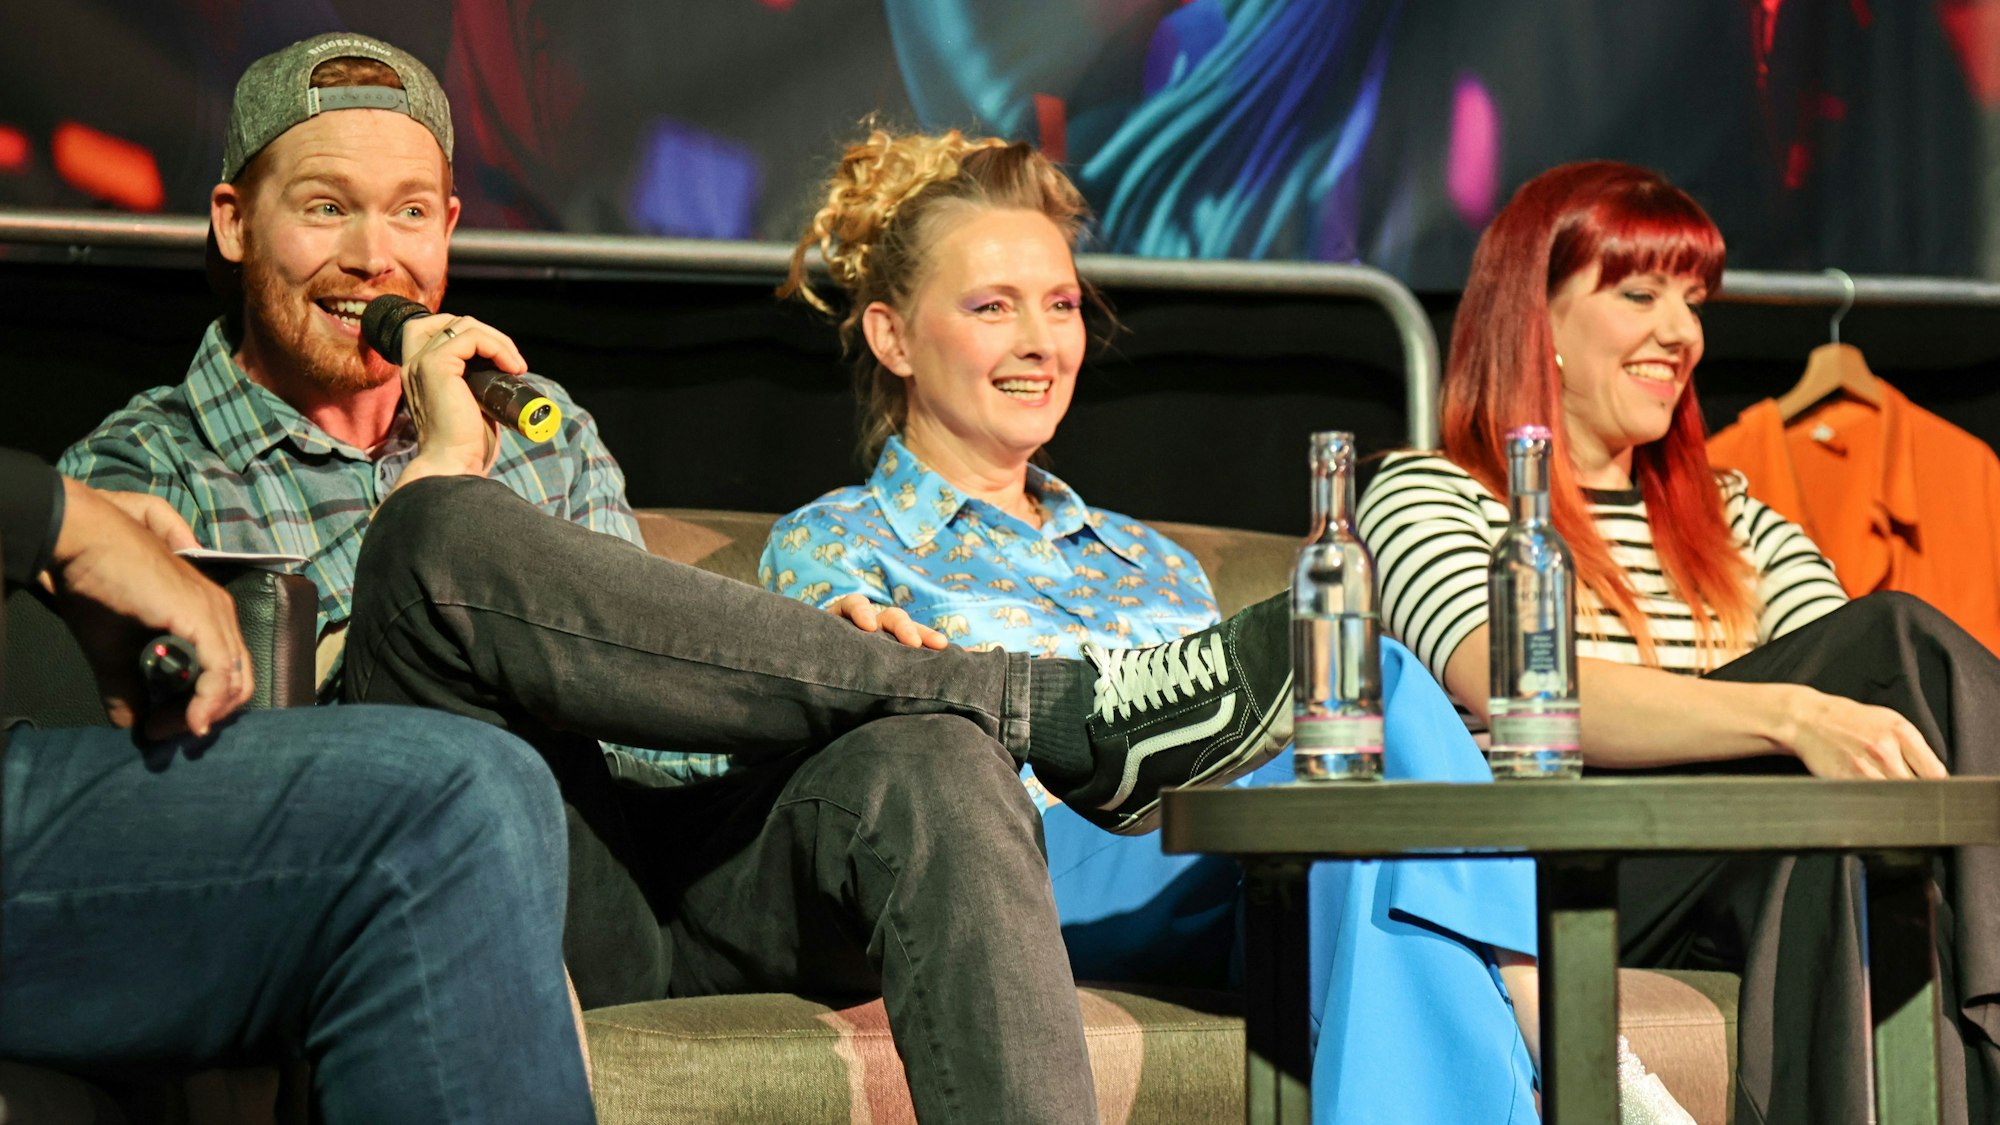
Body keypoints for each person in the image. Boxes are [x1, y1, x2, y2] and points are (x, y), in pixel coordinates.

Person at [56, 32, 1295, 1123]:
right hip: (448, 889)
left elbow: (665, 747)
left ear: (448, 227)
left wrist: (799, 665)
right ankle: (1035, 703)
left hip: (657, 887)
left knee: (932, 756)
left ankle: (987, 712)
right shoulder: (132, 473)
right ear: (231, 221)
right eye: (325, 208)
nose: (375, 256)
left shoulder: (542, 424)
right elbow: (197, 811)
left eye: (413, 212)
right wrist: (439, 469)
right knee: (430, 543)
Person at [761, 128, 1699, 1124]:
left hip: (1210, 868)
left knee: (1358, 836)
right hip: (1011, 878)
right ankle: (1564, 1028)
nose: (1040, 340)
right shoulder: (831, 546)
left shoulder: (1149, 557)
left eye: (1062, 305)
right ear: (892, 337)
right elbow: (810, 782)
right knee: (1354, 668)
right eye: (992, 308)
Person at [1356, 160, 2000, 1124]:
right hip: (1560, 864)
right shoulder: (1426, 494)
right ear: (1540, 320)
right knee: (1895, 636)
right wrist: (1788, 713)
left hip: (1736, 870)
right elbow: (1512, 684)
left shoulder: (1738, 521)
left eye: (1693, 301)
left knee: (1854, 857)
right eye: (1641, 293)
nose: (1682, 333)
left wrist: (1812, 718)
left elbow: (1864, 697)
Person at [0, 450, 594, 1124]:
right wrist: (58, 515)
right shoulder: (151, 452)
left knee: (498, 781)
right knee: (448, 805)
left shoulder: (561, 434)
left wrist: (48, 522)